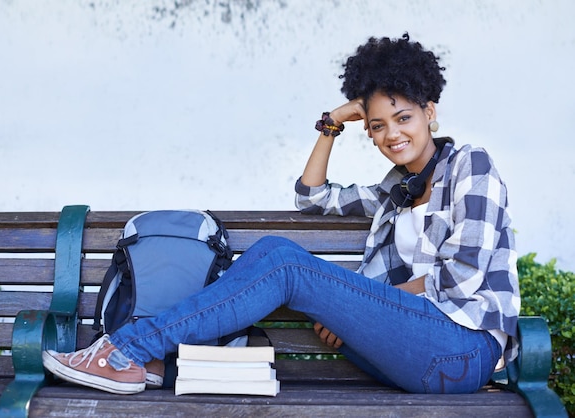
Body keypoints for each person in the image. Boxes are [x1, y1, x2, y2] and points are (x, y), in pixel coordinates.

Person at [42, 33, 520, 395]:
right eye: (377, 126)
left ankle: (128, 348)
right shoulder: (397, 193)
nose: (391, 134)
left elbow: (460, 281)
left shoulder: (470, 167)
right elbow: (311, 196)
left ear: (430, 113)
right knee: (278, 262)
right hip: (408, 350)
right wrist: (333, 123)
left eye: (403, 118)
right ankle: (145, 358)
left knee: (282, 260)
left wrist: (366, 305)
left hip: (461, 348)